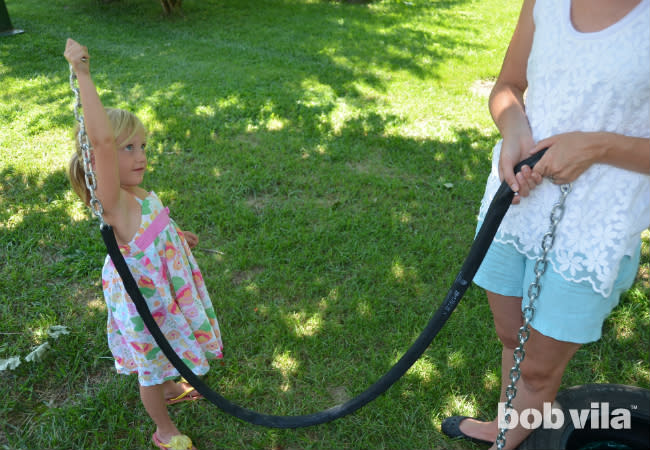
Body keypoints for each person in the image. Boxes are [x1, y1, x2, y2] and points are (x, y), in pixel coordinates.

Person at [441, 0, 649, 448]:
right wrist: (513, 128)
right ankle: (509, 421)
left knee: (537, 366)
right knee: (510, 336)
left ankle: (514, 435)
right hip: (518, 205)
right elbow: (509, 85)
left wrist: (599, 146)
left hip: (595, 226)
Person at [65, 38, 224, 450]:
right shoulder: (114, 203)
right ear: (101, 162)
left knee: (166, 348)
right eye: (128, 148)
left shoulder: (139, 195)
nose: (141, 156)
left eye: (143, 147)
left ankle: (172, 388)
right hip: (143, 304)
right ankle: (163, 426)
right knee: (151, 366)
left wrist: (176, 238)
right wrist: (82, 73)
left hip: (165, 293)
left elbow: (154, 227)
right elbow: (99, 141)